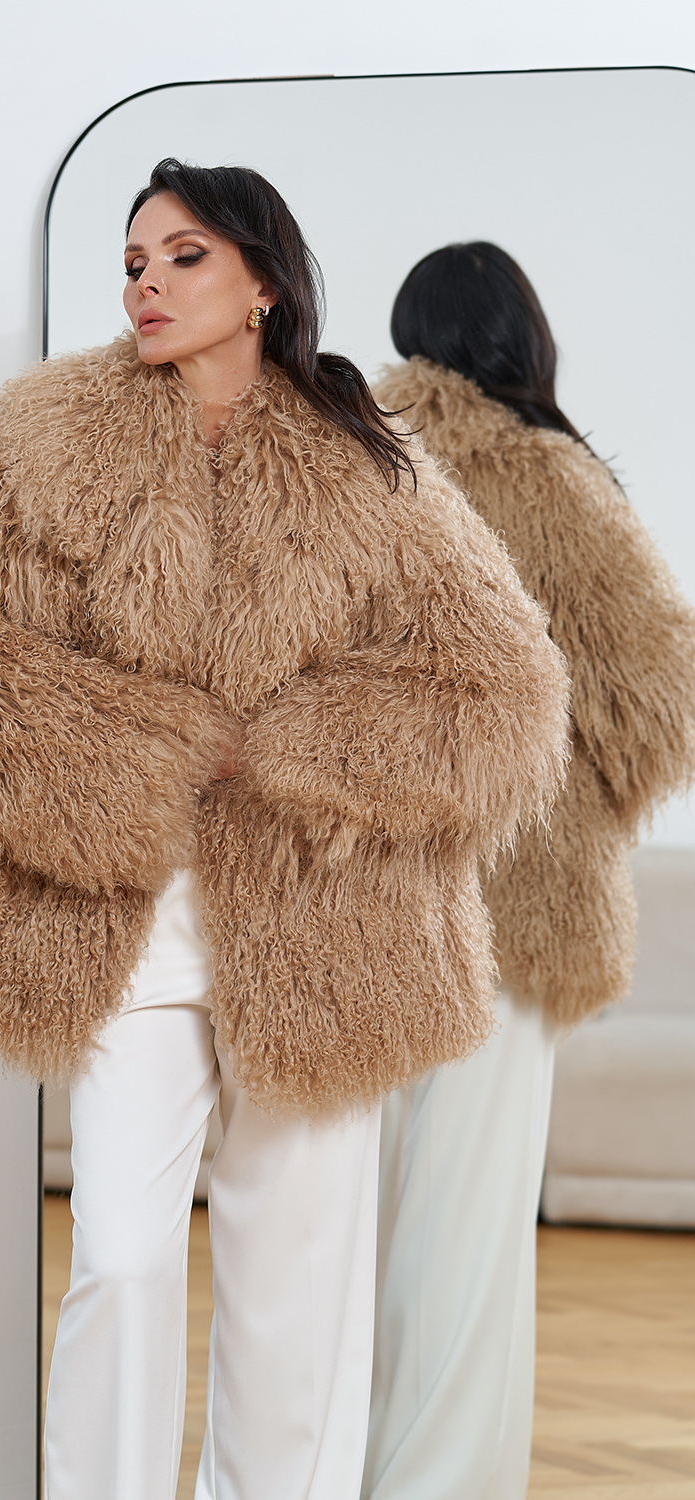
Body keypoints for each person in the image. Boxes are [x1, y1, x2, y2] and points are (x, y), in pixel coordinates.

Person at [0, 169, 569, 1500]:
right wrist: (151, 748)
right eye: (132, 262)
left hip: (327, 930)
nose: (146, 284)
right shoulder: (46, 433)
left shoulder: (364, 458)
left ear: (263, 280)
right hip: (128, 916)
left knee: (295, 1299)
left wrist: (290, 748)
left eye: (183, 255)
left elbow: (505, 688)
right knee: (119, 1258)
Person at [363, 241, 695, 1500]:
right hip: (513, 897)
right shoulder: (543, 476)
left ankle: (346, 1466)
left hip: (361, 889)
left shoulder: (355, 456)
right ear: (519, 335)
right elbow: (657, 699)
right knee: (468, 1216)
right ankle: (439, 1481)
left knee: (359, 1221)